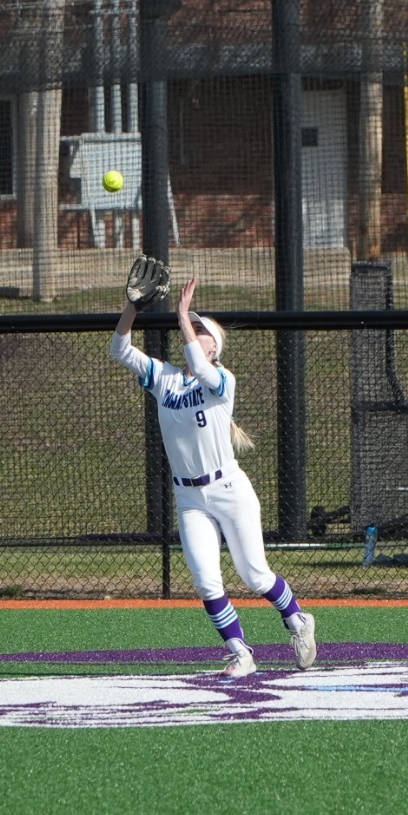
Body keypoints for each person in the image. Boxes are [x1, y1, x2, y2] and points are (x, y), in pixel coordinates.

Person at [112, 277, 317, 679]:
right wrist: (133, 306)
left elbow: (201, 365)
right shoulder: (165, 378)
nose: (195, 333)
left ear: (214, 348)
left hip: (229, 489)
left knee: (255, 574)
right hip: (189, 498)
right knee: (207, 583)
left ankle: (298, 620)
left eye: (203, 331)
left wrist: (183, 315)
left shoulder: (223, 381)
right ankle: (241, 652)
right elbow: (119, 348)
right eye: (195, 328)